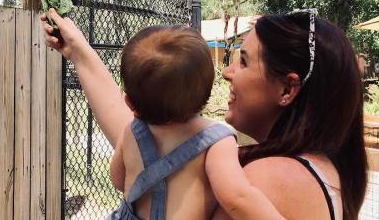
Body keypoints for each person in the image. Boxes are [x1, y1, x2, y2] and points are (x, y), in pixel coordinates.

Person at [41, 8, 367, 220]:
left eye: (243, 61)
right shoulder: (313, 167)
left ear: (286, 89)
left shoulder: (268, 178)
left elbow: (138, 161)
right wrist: (79, 52)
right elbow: (149, 141)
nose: (227, 74)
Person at [108, 24, 285, 220]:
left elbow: (117, 179)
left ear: (130, 103)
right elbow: (237, 198)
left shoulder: (131, 131)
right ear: (208, 89)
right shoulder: (215, 141)